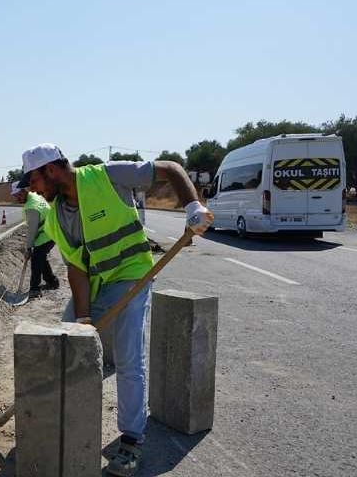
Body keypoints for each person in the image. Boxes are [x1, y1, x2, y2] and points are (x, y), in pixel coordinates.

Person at [17, 143, 213, 477]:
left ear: (50, 170)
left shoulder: (108, 175)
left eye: (32, 179)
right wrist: (83, 319)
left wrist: (193, 205)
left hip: (132, 274)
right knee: (65, 343)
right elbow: (76, 268)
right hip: (96, 283)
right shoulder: (58, 215)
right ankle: (61, 423)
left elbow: (170, 168)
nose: (31, 188)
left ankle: (132, 441)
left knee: (128, 357)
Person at [10, 181, 59, 298]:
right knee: (41, 257)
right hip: (51, 231)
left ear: (24, 191)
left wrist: (28, 248)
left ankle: (35, 289)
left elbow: (32, 230)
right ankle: (52, 282)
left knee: (36, 260)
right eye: (15, 196)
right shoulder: (35, 196)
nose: (17, 198)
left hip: (46, 234)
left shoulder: (31, 207)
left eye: (19, 195)